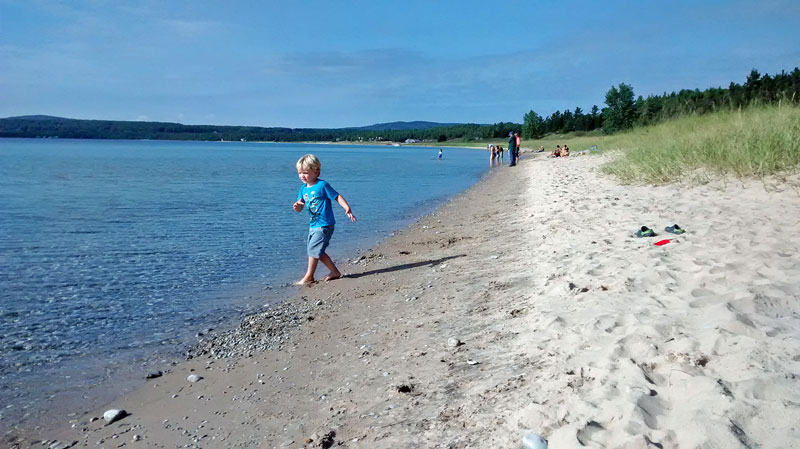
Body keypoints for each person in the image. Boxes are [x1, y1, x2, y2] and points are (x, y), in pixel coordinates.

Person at [293, 154, 356, 285]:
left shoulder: (322, 185)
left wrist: (347, 208)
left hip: (324, 224)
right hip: (313, 225)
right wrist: (297, 207)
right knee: (317, 251)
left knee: (313, 250)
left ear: (316, 171)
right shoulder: (303, 189)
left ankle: (309, 276)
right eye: (300, 173)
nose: (302, 176)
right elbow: (300, 207)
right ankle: (334, 272)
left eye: (305, 172)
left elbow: (337, 196)